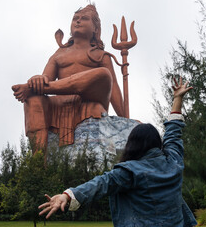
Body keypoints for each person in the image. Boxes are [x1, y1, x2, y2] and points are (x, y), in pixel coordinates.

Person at [38, 77, 197, 227]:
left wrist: (67, 195)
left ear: (133, 144)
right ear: (157, 142)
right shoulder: (173, 161)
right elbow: (173, 132)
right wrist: (178, 99)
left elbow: (100, 184)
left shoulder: (131, 171)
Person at [12, 4, 125, 151]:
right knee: (33, 99)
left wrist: (124, 117)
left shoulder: (101, 55)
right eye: (75, 19)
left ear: (95, 29)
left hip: (90, 98)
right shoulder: (59, 54)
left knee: (104, 74)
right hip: (61, 101)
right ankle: (39, 164)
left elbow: (113, 86)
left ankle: (31, 88)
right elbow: (46, 78)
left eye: (84, 19)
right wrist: (37, 80)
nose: (78, 21)